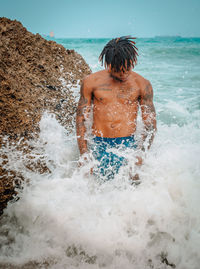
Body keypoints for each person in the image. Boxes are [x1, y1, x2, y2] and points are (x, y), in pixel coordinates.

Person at [76, 36, 156, 181]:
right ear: (108, 64)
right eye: (118, 70)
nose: (123, 73)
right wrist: (84, 154)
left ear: (132, 61)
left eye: (127, 68)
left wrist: (141, 154)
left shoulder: (142, 85)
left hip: (127, 145)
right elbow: (81, 118)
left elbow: (150, 123)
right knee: (96, 188)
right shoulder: (91, 82)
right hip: (98, 144)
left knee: (131, 188)